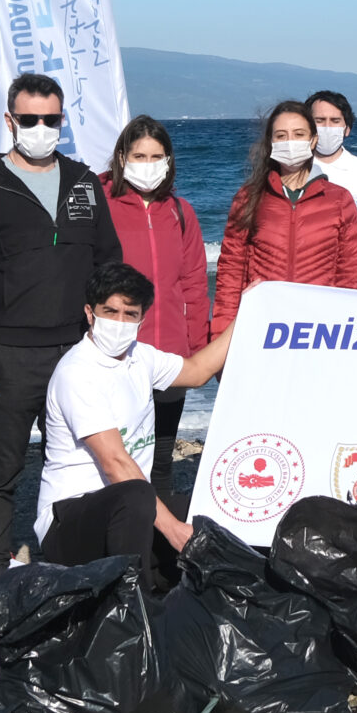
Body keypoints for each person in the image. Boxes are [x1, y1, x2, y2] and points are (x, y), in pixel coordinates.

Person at [0, 73, 125, 579]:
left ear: (62, 121)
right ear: (10, 121)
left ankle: (76, 566)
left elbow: (109, 264)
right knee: (1, 474)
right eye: (29, 119)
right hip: (8, 355)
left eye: (50, 119)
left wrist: (112, 340)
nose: (41, 128)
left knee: (80, 466)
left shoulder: (85, 181)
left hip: (78, 352)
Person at [34, 262, 234, 580]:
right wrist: (173, 532)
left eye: (130, 314)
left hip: (127, 512)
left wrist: (247, 317)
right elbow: (116, 465)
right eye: (110, 312)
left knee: (202, 510)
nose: (119, 322)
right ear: (90, 313)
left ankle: (166, 593)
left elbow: (197, 371)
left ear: (142, 318)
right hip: (67, 523)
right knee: (138, 495)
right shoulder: (79, 372)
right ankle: (128, 606)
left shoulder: (141, 356)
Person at [102, 115, 211, 489]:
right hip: (117, 355)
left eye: (156, 156)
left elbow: (194, 286)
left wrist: (197, 352)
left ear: (168, 161)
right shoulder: (101, 206)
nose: (147, 165)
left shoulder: (181, 213)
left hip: (169, 359)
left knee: (161, 458)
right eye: (139, 156)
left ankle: (159, 545)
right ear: (121, 158)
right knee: (118, 458)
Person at [215, 100, 357, 324]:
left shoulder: (339, 200)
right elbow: (230, 272)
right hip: (262, 322)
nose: (290, 143)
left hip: (320, 326)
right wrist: (222, 334)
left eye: (298, 134)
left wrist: (347, 329)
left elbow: (351, 276)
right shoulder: (248, 197)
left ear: (313, 139)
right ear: (270, 142)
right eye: (281, 136)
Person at [306, 89, 357, 280]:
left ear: (347, 128)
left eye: (335, 121)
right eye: (319, 121)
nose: (327, 127)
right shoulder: (292, 172)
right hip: (307, 285)